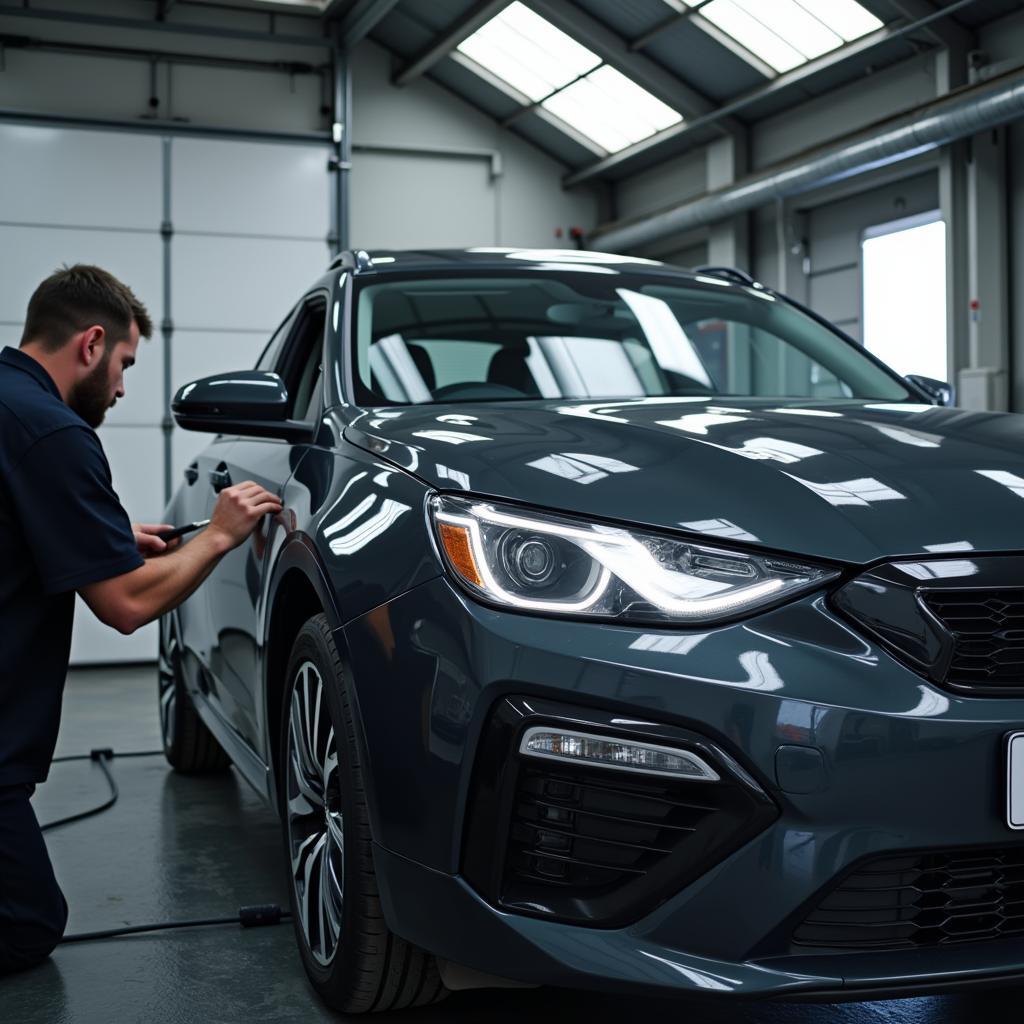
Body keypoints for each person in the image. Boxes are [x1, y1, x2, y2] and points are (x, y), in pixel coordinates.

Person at [0, 265, 282, 974]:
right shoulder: (53, 433)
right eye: (124, 364)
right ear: (91, 343)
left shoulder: (10, 409)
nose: (123, 388)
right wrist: (219, 535)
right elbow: (125, 605)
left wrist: (102, 535)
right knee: (28, 927)